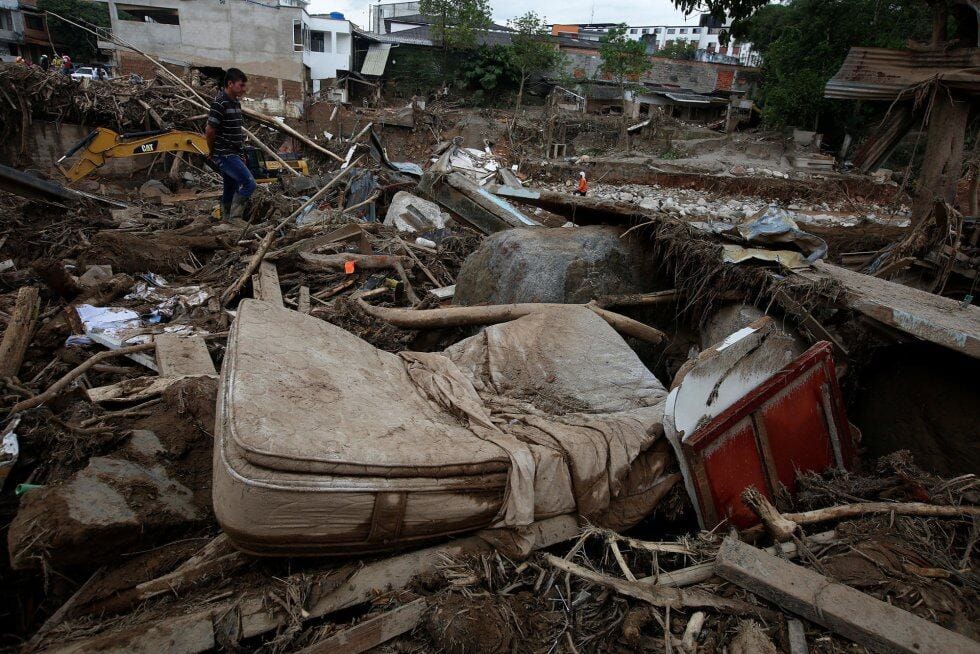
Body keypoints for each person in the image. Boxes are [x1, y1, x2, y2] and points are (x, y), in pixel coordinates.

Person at [205, 68, 256, 220]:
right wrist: (212, 151)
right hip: (225, 153)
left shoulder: (235, 104)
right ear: (230, 83)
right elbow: (209, 130)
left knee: (229, 188)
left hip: (235, 153)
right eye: (241, 85)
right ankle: (234, 218)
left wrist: (241, 154)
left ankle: (225, 220)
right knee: (249, 184)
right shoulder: (220, 103)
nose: (244, 89)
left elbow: (235, 132)